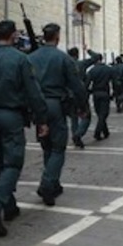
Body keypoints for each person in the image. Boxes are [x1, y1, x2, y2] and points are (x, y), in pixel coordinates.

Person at [0, 20, 48, 236]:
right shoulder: (20, 59)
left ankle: (9, 205)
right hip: (11, 115)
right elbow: (33, 92)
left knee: (1, 159)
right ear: (14, 35)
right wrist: (41, 120)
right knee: (13, 162)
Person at [29, 24, 86, 206]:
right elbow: (77, 86)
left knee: (46, 146)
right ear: (57, 37)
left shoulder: (30, 58)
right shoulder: (64, 59)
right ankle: (47, 183)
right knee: (58, 148)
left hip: (38, 106)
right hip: (55, 105)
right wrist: (82, 106)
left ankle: (53, 182)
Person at [67, 47, 101, 148]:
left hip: (69, 95)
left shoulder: (65, 64)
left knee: (74, 117)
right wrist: (88, 50)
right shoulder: (82, 64)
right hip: (81, 94)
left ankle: (75, 135)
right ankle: (78, 134)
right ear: (77, 54)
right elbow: (96, 57)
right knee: (86, 116)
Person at [85, 54, 113, 139]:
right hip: (105, 93)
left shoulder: (92, 70)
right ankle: (97, 132)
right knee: (103, 114)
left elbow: (87, 83)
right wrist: (114, 93)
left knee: (99, 113)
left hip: (95, 93)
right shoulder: (108, 69)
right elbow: (114, 81)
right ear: (102, 59)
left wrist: (88, 92)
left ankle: (105, 132)